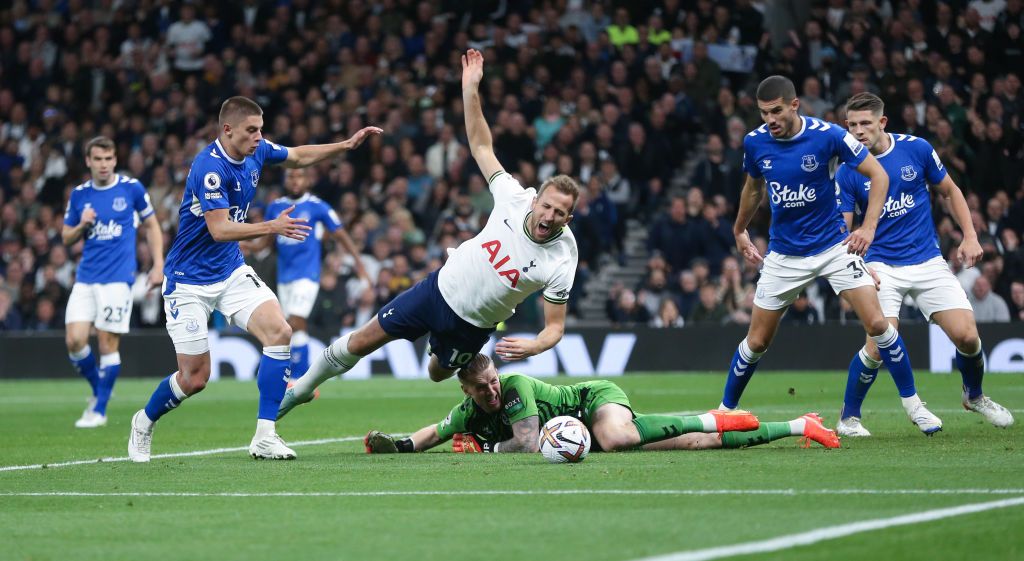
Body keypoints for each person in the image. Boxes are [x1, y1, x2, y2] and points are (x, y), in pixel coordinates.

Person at [278, 49, 580, 418]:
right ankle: (302, 390)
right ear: (536, 200)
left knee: (437, 373)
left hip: (472, 325)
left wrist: (534, 347)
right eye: (546, 206)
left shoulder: (562, 257)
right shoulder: (514, 197)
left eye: (560, 213)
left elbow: (555, 328)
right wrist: (470, 89)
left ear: (568, 218)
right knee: (363, 340)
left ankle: (440, 352)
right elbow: (481, 145)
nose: (549, 216)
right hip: (438, 289)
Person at [126, 96, 380, 462]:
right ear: (227, 130)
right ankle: (144, 420)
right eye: (251, 130)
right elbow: (219, 229)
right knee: (195, 378)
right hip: (188, 281)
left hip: (229, 272)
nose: (259, 137)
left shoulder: (257, 151)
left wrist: (345, 145)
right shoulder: (209, 168)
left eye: (261, 129)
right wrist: (272, 226)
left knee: (280, 331)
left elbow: (298, 155)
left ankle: (265, 435)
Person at [719, 76, 942, 436]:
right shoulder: (755, 142)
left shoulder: (829, 135)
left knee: (878, 324)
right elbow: (753, 187)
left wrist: (868, 227)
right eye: (763, 113)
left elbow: (879, 175)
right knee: (757, 340)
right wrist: (739, 229)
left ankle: (914, 406)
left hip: (833, 247)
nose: (770, 119)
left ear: (794, 105)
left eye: (776, 111)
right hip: (785, 254)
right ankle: (725, 411)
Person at [836, 92, 1014, 436]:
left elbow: (950, 190)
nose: (859, 131)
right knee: (877, 343)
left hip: (927, 260)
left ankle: (974, 395)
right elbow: (843, 229)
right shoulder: (848, 171)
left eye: (866, 124)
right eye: (853, 125)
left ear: (882, 123)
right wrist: (858, 263)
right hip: (881, 265)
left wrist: (970, 235)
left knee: (967, 337)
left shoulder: (915, 149)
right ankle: (848, 417)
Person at [363, 354, 840, 454]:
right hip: (581, 437)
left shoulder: (515, 385)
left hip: (595, 402)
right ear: (466, 392)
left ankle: (712, 413)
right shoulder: (469, 410)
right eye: (481, 389)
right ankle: (799, 425)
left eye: (491, 381)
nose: (491, 391)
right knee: (701, 445)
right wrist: (397, 445)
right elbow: (434, 431)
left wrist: (485, 451)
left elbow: (528, 444)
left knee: (616, 437)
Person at [62, 136, 163, 428]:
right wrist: (82, 223)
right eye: (98, 159)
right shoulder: (80, 195)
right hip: (86, 278)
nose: (104, 164)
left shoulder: (131, 189)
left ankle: (99, 411)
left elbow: (152, 226)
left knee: (107, 342)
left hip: (118, 279)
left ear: (115, 160)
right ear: (88, 161)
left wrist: (158, 264)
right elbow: (66, 237)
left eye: (109, 159)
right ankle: (99, 389)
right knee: (75, 341)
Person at [263, 167, 371, 379]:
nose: (295, 180)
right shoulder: (275, 207)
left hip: (308, 274)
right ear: (285, 180)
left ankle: (299, 377)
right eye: (291, 176)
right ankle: (294, 376)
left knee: (296, 320)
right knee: (289, 328)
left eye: (299, 176)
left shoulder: (317, 207)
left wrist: (359, 263)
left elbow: (340, 234)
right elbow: (266, 242)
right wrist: (243, 244)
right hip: (284, 276)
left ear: (307, 180)